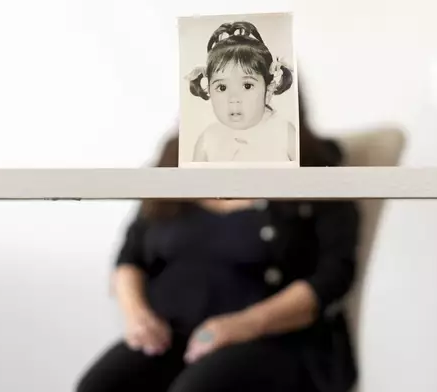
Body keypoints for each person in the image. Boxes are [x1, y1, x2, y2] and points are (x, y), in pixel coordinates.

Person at [75, 92, 361, 392]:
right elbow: (130, 257)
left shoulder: (316, 170)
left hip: (276, 336)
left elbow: (335, 274)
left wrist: (249, 323)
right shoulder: (173, 161)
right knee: (98, 386)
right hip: (173, 331)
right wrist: (138, 317)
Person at [187, 21, 297, 163]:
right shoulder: (207, 140)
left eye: (247, 86)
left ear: (268, 92)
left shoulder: (285, 134)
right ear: (209, 90)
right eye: (222, 88)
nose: (233, 98)